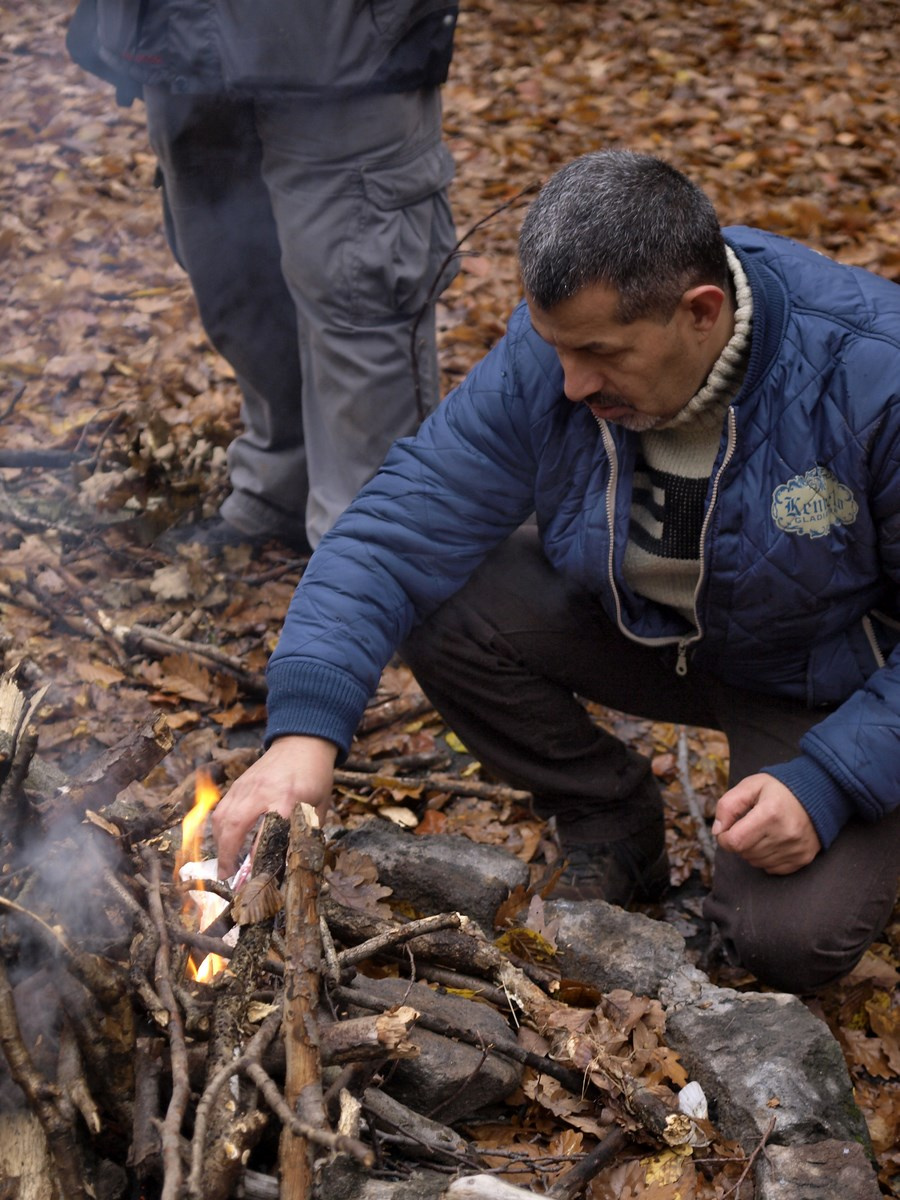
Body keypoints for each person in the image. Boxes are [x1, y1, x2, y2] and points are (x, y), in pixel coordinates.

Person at [212, 149, 900, 995]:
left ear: (701, 311)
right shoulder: (557, 357)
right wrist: (300, 738)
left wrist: (830, 782)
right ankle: (608, 813)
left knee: (787, 941)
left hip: (822, 682)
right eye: (556, 348)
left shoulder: (873, 375)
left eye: (600, 354)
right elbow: (397, 526)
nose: (571, 384)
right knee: (444, 594)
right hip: (648, 629)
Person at [66, 0, 460, 551]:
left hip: (345, 43)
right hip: (170, 34)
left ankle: (366, 566)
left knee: (357, 286)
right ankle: (283, 482)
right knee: (233, 276)